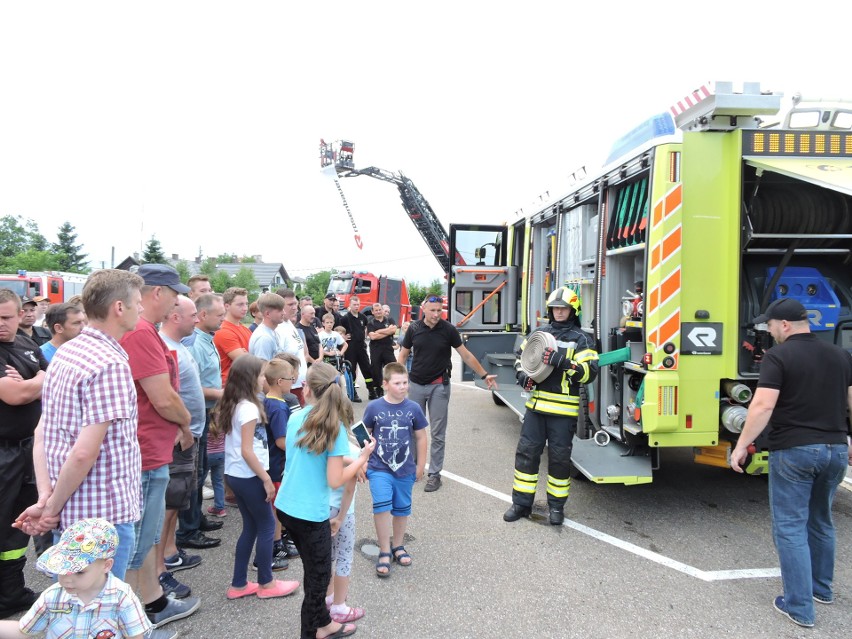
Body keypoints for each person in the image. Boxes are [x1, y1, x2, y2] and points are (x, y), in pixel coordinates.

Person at [730, 298, 852, 628]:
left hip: (796, 450)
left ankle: (798, 606)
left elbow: (762, 407)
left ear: (784, 325)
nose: (769, 332)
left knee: (790, 526)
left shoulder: (778, 356)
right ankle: (821, 590)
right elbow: (850, 401)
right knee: (821, 520)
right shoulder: (840, 355)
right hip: (836, 450)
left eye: (770, 326)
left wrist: (741, 446)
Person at [15, 270, 143, 583]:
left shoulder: (67, 351)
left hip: (71, 510)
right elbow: (85, 452)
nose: (141, 309)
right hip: (103, 518)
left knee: (75, 611)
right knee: (98, 615)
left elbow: (44, 431)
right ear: (118, 307)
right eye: (137, 302)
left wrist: (47, 498)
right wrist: (50, 507)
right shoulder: (108, 363)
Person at [119, 264, 199, 629]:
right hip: (148, 448)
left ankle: (151, 601)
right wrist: (185, 423)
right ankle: (135, 612)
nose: (175, 300)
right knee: (140, 535)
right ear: (156, 293)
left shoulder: (142, 331)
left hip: (151, 447)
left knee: (147, 533)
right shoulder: (140, 333)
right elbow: (162, 396)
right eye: (171, 293)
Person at [275, 362, 375, 639]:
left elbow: (309, 457)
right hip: (310, 515)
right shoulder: (335, 429)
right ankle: (312, 632)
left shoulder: (297, 417)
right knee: (317, 584)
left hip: (286, 508)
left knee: (313, 570)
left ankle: (326, 623)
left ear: (307, 389)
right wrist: (363, 458)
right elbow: (336, 480)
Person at [504, 287, 598, 526]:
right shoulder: (539, 333)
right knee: (526, 456)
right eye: (555, 308)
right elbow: (520, 359)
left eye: (563, 308)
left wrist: (565, 363)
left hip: (562, 413)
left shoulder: (582, 339)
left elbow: (589, 374)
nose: (558, 312)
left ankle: (556, 508)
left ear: (573, 311)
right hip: (535, 409)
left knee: (559, 460)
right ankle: (521, 504)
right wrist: (521, 375)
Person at [216, 355, 300, 601]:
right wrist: (265, 478)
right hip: (250, 475)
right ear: (251, 379)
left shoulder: (236, 403)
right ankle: (267, 582)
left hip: (237, 474)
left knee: (251, 528)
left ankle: (239, 584)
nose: (265, 379)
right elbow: (247, 449)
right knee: (265, 526)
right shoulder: (250, 408)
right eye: (262, 375)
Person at [397, 295, 498, 492]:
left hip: (439, 387)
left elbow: (466, 355)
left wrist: (484, 374)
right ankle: (413, 469)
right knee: (412, 430)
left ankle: (435, 474)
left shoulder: (448, 329)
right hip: (416, 385)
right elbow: (403, 354)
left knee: (437, 432)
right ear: (424, 309)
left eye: (439, 310)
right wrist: (398, 380)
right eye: (432, 310)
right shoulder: (414, 329)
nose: (436, 314)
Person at [0, 518, 152, 639]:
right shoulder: (53, 596)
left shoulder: (122, 598)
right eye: (63, 568)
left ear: (106, 565)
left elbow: (134, 636)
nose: (67, 579)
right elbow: (23, 630)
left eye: (79, 572)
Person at [157, 296, 212, 601]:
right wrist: (182, 428)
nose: (196, 320)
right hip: (179, 438)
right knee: (169, 503)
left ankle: (170, 551)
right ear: (175, 317)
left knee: (178, 500)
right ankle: (162, 560)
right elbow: (166, 396)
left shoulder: (181, 346)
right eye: (193, 315)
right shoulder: (165, 347)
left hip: (190, 434)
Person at [0, 289, 47, 619]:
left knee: (19, 524)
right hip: (3, 453)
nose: (0, 324)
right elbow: (16, 395)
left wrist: (38, 381)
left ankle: (12, 592)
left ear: (21, 315)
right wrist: (37, 382)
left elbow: (53, 376)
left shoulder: (27, 345)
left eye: (6, 317)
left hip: (28, 451)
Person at [362, 362, 427, 578]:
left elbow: (421, 437)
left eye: (405, 382)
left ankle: (398, 546)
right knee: (382, 508)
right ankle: (383, 549)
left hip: (405, 469)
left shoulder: (413, 409)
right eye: (397, 383)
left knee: (401, 509)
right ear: (385, 384)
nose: (403, 387)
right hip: (379, 467)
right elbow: (364, 436)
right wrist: (363, 462)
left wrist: (420, 465)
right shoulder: (374, 408)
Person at [263, 356, 302, 563]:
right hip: (277, 464)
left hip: (274, 463)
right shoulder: (278, 407)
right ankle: (276, 545)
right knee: (277, 506)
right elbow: (281, 441)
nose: (293, 381)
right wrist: (300, 450)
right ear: (279, 382)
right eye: (290, 378)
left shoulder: (270, 401)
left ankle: (279, 540)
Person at [325, 440, 363, 624]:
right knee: (344, 556)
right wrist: (341, 517)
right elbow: (349, 488)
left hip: (323, 507)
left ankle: (328, 596)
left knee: (328, 555)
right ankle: (339, 606)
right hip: (343, 510)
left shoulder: (323, 443)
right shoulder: (354, 451)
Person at [274, 288, 307, 405]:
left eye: (295, 304)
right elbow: (277, 362)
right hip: (290, 389)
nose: (295, 308)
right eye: (290, 304)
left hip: (300, 384)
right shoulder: (278, 329)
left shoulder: (289, 324)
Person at [213, 287, 251, 384]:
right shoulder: (224, 331)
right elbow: (245, 362)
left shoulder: (245, 329)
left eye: (246, 304)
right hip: (232, 387)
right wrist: (248, 356)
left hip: (246, 383)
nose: (245, 308)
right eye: (240, 304)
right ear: (227, 306)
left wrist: (248, 355)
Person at [340, 296, 373, 402]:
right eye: (354, 304)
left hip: (361, 347)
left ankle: (372, 391)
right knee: (352, 371)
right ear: (350, 305)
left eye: (358, 304)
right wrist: (343, 337)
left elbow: (366, 328)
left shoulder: (363, 317)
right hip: (351, 348)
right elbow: (339, 331)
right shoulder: (345, 318)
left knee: (367, 369)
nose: (356, 306)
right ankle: (353, 393)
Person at [367, 303, 396, 399]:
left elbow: (393, 330)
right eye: (376, 310)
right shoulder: (370, 322)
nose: (378, 311)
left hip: (388, 349)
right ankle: (379, 390)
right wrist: (387, 331)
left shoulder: (390, 320)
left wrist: (379, 331)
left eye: (380, 309)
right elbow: (373, 336)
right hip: (376, 349)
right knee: (376, 370)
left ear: (382, 310)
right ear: (372, 312)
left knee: (393, 368)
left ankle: (393, 389)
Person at [248, 292, 286, 360]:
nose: (284, 313)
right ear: (268, 314)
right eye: (280, 310)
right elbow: (263, 368)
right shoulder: (264, 338)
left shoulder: (272, 332)